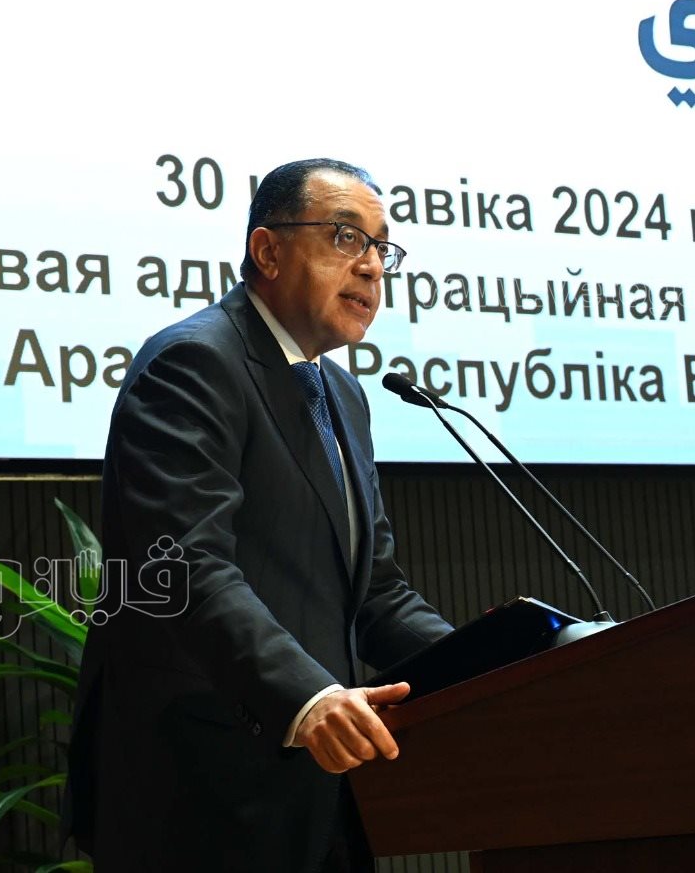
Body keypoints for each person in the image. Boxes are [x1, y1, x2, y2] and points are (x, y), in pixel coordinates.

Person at [66, 158, 453, 871]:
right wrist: (307, 697)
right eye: (346, 237)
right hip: (203, 793)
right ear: (267, 251)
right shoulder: (194, 362)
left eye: (381, 247)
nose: (372, 266)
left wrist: (489, 663)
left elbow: (377, 593)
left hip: (321, 793)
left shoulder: (342, 395)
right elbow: (187, 567)